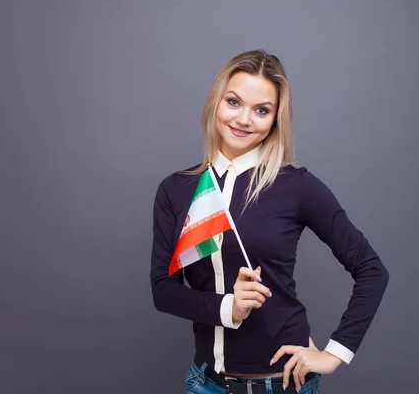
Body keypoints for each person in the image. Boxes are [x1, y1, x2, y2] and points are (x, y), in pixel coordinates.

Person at [151, 49, 390, 394]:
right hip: (206, 384)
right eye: (234, 102)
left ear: (276, 119)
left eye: (261, 110)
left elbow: (371, 269)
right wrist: (229, 306)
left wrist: (334, 353)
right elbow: (162, 290)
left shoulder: (296, 185)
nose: (244, 119)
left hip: (282, 385)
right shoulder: (177, 189)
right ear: (216, 102)